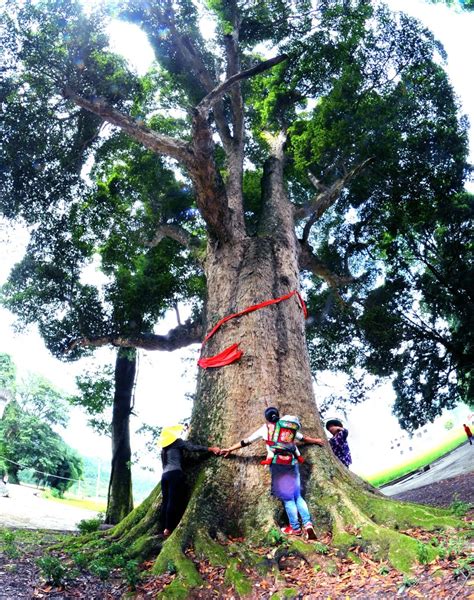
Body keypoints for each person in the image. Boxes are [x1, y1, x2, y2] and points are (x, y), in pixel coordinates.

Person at [222, 406, 325, 539]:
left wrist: (230, 449)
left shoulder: (265, 429)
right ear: (278, 415)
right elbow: (303, 438)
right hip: (292, 463)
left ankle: (295, 529)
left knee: (288, 499)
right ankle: (308, 525)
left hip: (278, 465)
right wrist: (316, 441)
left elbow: (246, 441)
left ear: (266, 418)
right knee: (298, 496)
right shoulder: (287, 427)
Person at [159, 424, 220, 537]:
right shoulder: (177, 442)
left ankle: (163, 527)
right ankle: (168, 529)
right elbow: (192, 448)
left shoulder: (164, 449)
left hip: (165, 476)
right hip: (175, 474)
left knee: (166, 501)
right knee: (172, 501)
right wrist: (210, 449)